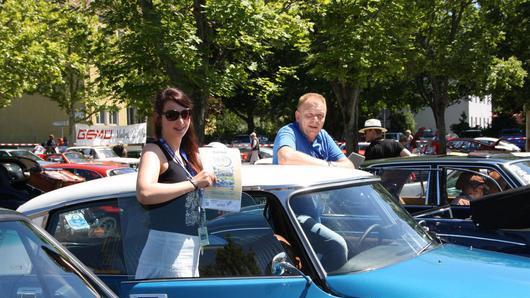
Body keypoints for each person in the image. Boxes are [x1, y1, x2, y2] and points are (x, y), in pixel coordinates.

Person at [135, 87, 217, 279]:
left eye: (185, 114)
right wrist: (194, 183)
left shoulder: (188, 156)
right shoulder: (153, 150)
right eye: (172, 115)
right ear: (159, 118)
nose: (180, 121)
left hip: (191, 248)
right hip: (166, 252)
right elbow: (144, 193)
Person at [273, 93, 354, 169]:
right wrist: (328, 166)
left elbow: (349, 166)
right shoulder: (288, 132)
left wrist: (328, 166)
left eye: (320, 116)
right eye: (309, 115)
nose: (315, 120)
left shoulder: (323, 136)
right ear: (298, 117)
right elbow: (285, 158)